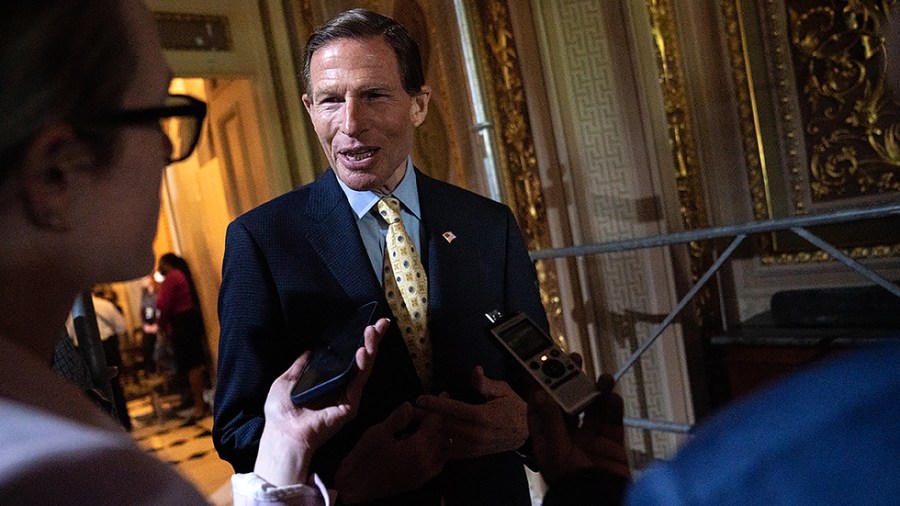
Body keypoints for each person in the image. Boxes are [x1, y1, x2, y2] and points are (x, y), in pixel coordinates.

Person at [0, 1, 388, 503]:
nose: (166, 149)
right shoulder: (72, 477)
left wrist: (285, 450)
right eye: (159, 111)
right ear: (58, 170)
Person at [213, 8, 548, 505]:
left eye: (373, 95)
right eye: (330, 100)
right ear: (309, 109)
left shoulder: (488, 224)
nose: (350, 122)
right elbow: (237, 429)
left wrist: (527, 424)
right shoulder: (261, 242)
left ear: (418, 104)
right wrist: (343, 475)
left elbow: (541, 378)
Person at [65, 290, 133, 431]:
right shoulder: (105, 305)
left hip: (84, 351)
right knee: (115, 386)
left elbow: (70, 334)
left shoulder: (73, 312)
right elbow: (121, 327)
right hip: (108, 347)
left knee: (94, 390)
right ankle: (124, 423)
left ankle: (107, 426)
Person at [156, 252, 210, 420]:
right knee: (193, 363)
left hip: (181, 324)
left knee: (191, 365)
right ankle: (198, 403)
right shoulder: (181, 275)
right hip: (188, 321)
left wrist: (161, 326)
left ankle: (199, 406)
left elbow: (164, 305)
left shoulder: (172, 277)